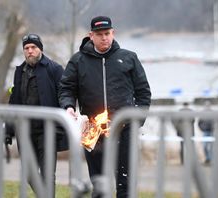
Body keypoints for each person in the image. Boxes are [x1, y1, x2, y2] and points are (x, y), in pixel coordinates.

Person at [59, 16, 151, 197]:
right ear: (90, 35)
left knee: (126, 183)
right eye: (99, 34)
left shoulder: (129, 58)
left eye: (107, 33)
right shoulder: (78, 61)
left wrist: (136, 121)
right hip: (93, 131)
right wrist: (68, 106)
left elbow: (143, 93)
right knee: (99, 184)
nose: (104, 38)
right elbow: (66, 88)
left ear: (113, 33)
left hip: (124, 130)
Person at [5, 33, 68, 195]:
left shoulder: (54, 69)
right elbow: (14, 101)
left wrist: (60, 126)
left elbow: (64, 97)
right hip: (24, 131)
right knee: (29, 173)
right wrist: (9, 129)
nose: (30, 51)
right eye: (26, 48)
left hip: (47, 131)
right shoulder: (19, 71)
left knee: (48, 175)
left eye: (33, 47)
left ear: (40, 49)